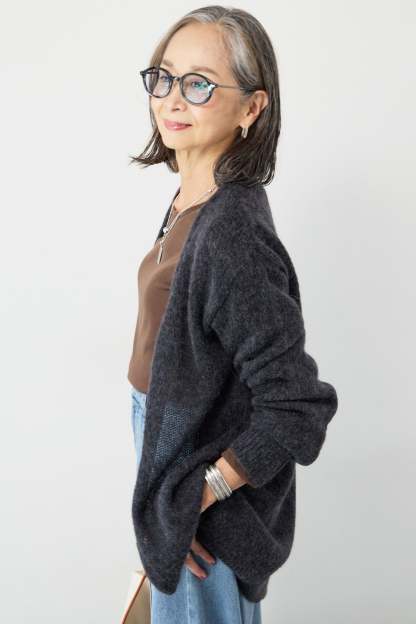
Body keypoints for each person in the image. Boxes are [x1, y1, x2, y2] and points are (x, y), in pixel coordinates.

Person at [127, 6, 338, 623]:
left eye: (199, 83)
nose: (172, 98)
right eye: (165, 77)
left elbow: (298, 406)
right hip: (169, 462)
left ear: (252, 107)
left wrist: (200, 493)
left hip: (205, 508)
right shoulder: (190, 198)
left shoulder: (229, 234)